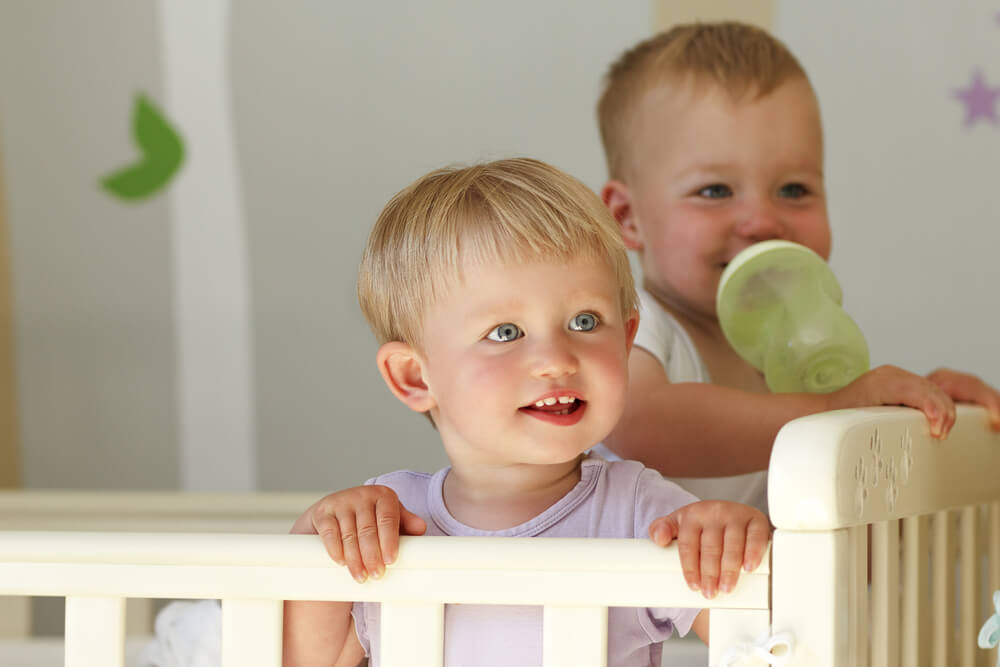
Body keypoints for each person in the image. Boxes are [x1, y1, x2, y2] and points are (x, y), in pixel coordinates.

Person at [282, 158, 771, 667]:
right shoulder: (391, 522)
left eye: (585, 321)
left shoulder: (641, 514)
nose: (557, 360)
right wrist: (318, 538)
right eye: (505, 333)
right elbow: (293, 657)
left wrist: (725, 548)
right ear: (415, 376)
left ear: (627, 342)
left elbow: (768, 643)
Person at [594, 21, 1000, 513]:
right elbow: (642, 422)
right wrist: (832, 410)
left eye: (793, 190)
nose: (762, 221)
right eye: (714, 191)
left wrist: (918, 413)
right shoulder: (639, 326)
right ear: (627, 218)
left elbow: (848, 476)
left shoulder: (798, 353)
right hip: (625, 587)